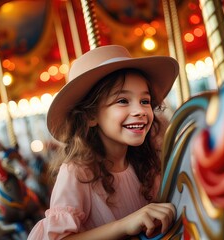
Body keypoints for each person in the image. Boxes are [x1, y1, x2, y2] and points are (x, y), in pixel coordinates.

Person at [28, 45, 179, 239]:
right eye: (123, 101)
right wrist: (125, 225)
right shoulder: (78, 172)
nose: (140, 110)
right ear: (91, 116)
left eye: (145, 101)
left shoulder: (146, 164)